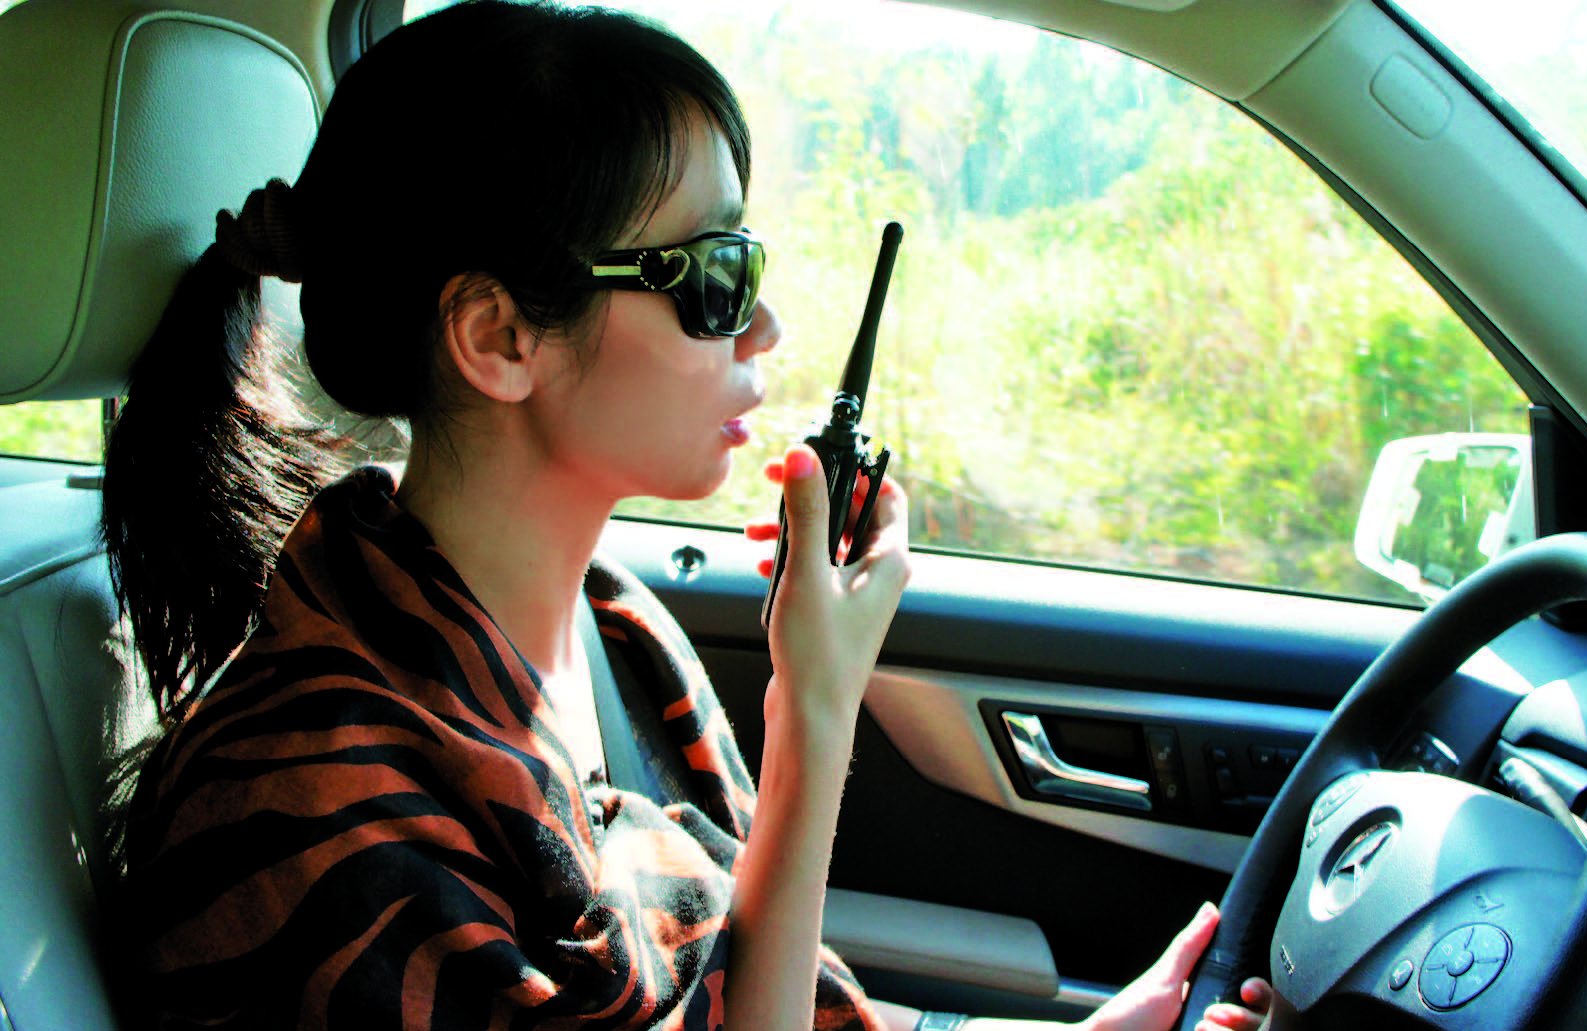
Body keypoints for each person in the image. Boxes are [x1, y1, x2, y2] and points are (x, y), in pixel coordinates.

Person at [100, 2, 1275, 1029]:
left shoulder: (612, 629)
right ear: (498, 336)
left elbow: (746, 978)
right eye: (714, 277)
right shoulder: (323, 819)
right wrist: (814, 710)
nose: (763, 328)